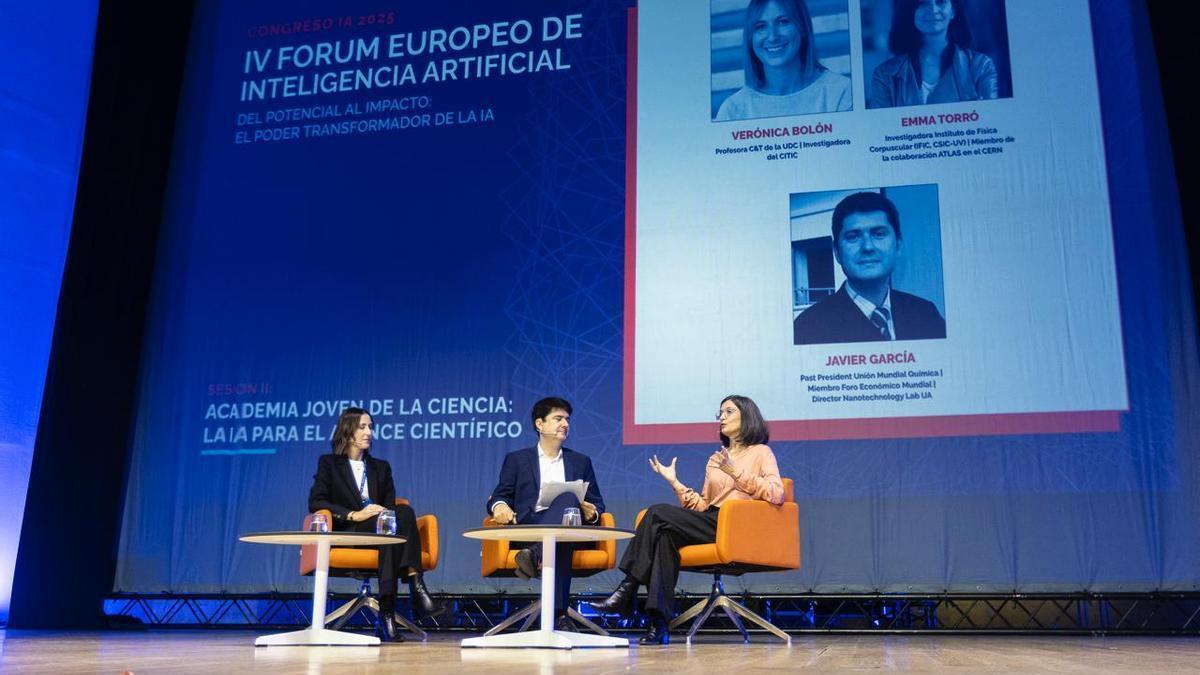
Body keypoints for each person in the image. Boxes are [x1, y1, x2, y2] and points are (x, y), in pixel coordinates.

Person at [590, 395, 784, 645]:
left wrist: (735, 471)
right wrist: (675, 482)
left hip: (736, 526)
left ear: (746, 417)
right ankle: (658, 624)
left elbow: (776, 493)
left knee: (657, 512)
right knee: (663, 537)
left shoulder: (760, 452)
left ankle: (627, 588)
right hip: (711, 520)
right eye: (720, 413)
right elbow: (703, 504)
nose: (721, 417)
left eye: (728, 412)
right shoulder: (716, 459)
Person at [307, 406, 446, 642]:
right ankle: (415, 589)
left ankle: (388, 613)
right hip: (351, 531)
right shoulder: (329, 464)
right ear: (348, 431)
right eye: (362, 427)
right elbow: (316, 501)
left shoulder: (381, 467)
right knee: (393, 524)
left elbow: (390, 506)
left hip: (382, 530)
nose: (368, 432)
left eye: (370, 427)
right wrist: (354, 514)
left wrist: (380, 514)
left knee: (399, 516)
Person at [486, 397, 607, 631]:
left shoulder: (580, 461)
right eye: (558, 419)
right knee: (560, 533)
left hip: (567, 530)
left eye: (567, 420)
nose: (565, 424)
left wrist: (591, 512)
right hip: (529, 527)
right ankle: (559, 615)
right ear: (539, 424)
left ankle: (534, 555)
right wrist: (499, 507)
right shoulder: (517, 460)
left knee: (568, 503)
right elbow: (500, 495)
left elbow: (598, 505)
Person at [792, 191, 946, 345]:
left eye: (878, 234)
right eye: (853, 237)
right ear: (837, 251)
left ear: (898, 245)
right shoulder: (807, 327)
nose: (867, 247)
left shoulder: (926, 313)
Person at [715, 0, 851, 121]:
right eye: (761, 26)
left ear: (802, 27)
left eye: (783, 22)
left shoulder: (840, 92)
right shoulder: (733, 110)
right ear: (750, 38)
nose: (772, 37)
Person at [868, 0, 998, 108]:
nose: (933, 9)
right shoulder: (884, 74)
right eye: (922, 3)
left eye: (941, 2)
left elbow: (991, 120)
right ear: (910, 12)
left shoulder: (981, 66)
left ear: (953, 11)